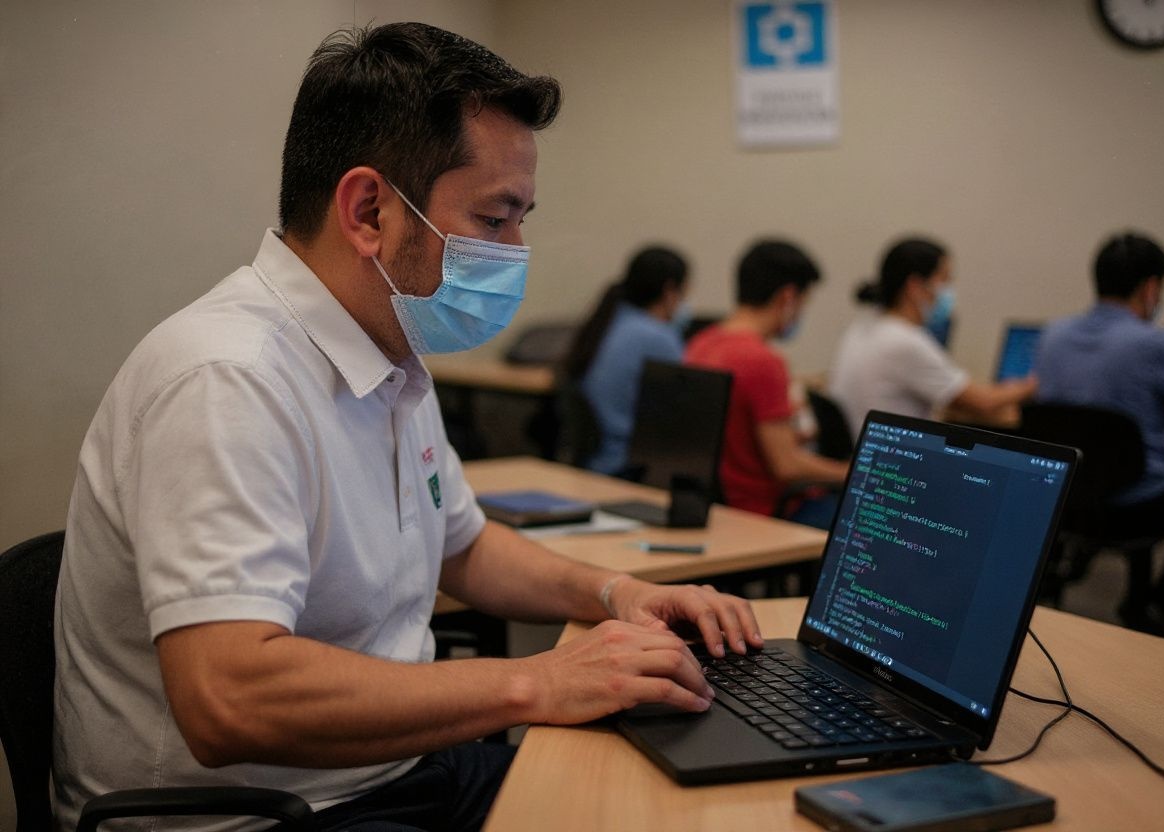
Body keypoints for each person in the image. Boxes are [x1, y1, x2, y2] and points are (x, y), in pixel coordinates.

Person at [52, 23, 764, 832]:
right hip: (257, 817)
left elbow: (464, 546)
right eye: (497, 220)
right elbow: (228, 697)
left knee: (655, 800)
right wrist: (541, 681)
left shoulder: (389, 347)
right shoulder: (227, 377)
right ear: (369, 211)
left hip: (390, 775)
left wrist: (616, 594)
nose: (517, 251)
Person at [1033, 231, 1164, 632]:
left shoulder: (1052, 336)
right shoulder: (1154, 343)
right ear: (1150, 287)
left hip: (1067, 499)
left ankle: (1124, 590)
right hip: (1138, 509)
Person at [685, 240, 848, 529]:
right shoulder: (762, 361)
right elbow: (787, 466)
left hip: (717, 505)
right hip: (763, 511)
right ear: (788, 297)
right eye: (803, 303)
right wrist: (857, 473)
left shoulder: (702, 343)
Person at [828, 237, 1037, 433]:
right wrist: (1032, 385)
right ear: (915, 285)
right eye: (944, 280)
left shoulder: (864, 326)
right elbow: (982, 402)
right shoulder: (904, 341)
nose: (948, 291)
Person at [562, 246, 690, 475]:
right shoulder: (658, 337)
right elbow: (677, 419)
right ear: (670, 290)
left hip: (594, 461)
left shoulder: (607, 320)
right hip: (624, 465)